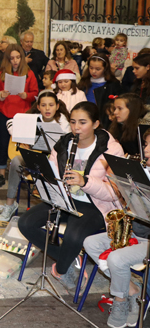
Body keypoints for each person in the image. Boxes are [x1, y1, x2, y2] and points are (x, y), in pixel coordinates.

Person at [18, 101, 125, 292]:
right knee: (25, 223)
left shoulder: (112, 149)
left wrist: (85, 182)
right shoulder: (63, 144)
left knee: (73, 237)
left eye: (83, 122)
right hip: (64, 200)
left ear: (96, 124)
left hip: (95, 204)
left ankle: (61, 268)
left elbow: (114, 192)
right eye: (73, 122)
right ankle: (69, 257)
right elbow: (51, 171)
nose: (76, 128)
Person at [83, 130, 150, 328]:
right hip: (137, 231)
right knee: (90, 243)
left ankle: (120, 301)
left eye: (149, 145)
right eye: (145, 144)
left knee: (116, 258)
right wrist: (120, 186)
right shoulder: (143, 171)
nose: (145, 149)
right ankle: (132, 291)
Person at [0, 92, 70, 221]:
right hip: (35, 157)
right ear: (38, 107)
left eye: (51, 105)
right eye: (43, 105)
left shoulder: (63, 121)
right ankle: (10, 204)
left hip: (54, 161)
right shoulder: (33, 118)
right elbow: (10, 123)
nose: (47, 109)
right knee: (16, 161)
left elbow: (67, 142)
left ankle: (53, 207)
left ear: (57, 106)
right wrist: (21, 136)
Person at [0, 44, 39, 187]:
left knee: (22, 147)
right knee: (3, 144)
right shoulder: (1, 74)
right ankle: (1, 174)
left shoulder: (29, 73)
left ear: (22, 58)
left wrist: (27, 95)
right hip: (4, 112)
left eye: (18, 57)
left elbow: (35, 93)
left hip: (22, 114)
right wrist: (1, 95)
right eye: (12, 58)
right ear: (7, 59)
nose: (15, 61)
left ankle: (22, 174)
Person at [77, 53, 122, 128]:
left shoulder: (113, 84)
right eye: (91, 68)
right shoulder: (84, 82)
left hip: (102, 122)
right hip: (83, 117)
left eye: (98, 69)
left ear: (105, 68)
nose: (93, 71)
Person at [109, 93, 148, 157]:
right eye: (115, 108)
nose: (115, 112)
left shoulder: (143, 129)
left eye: (120, 108)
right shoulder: (118, 126)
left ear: (133, 110)